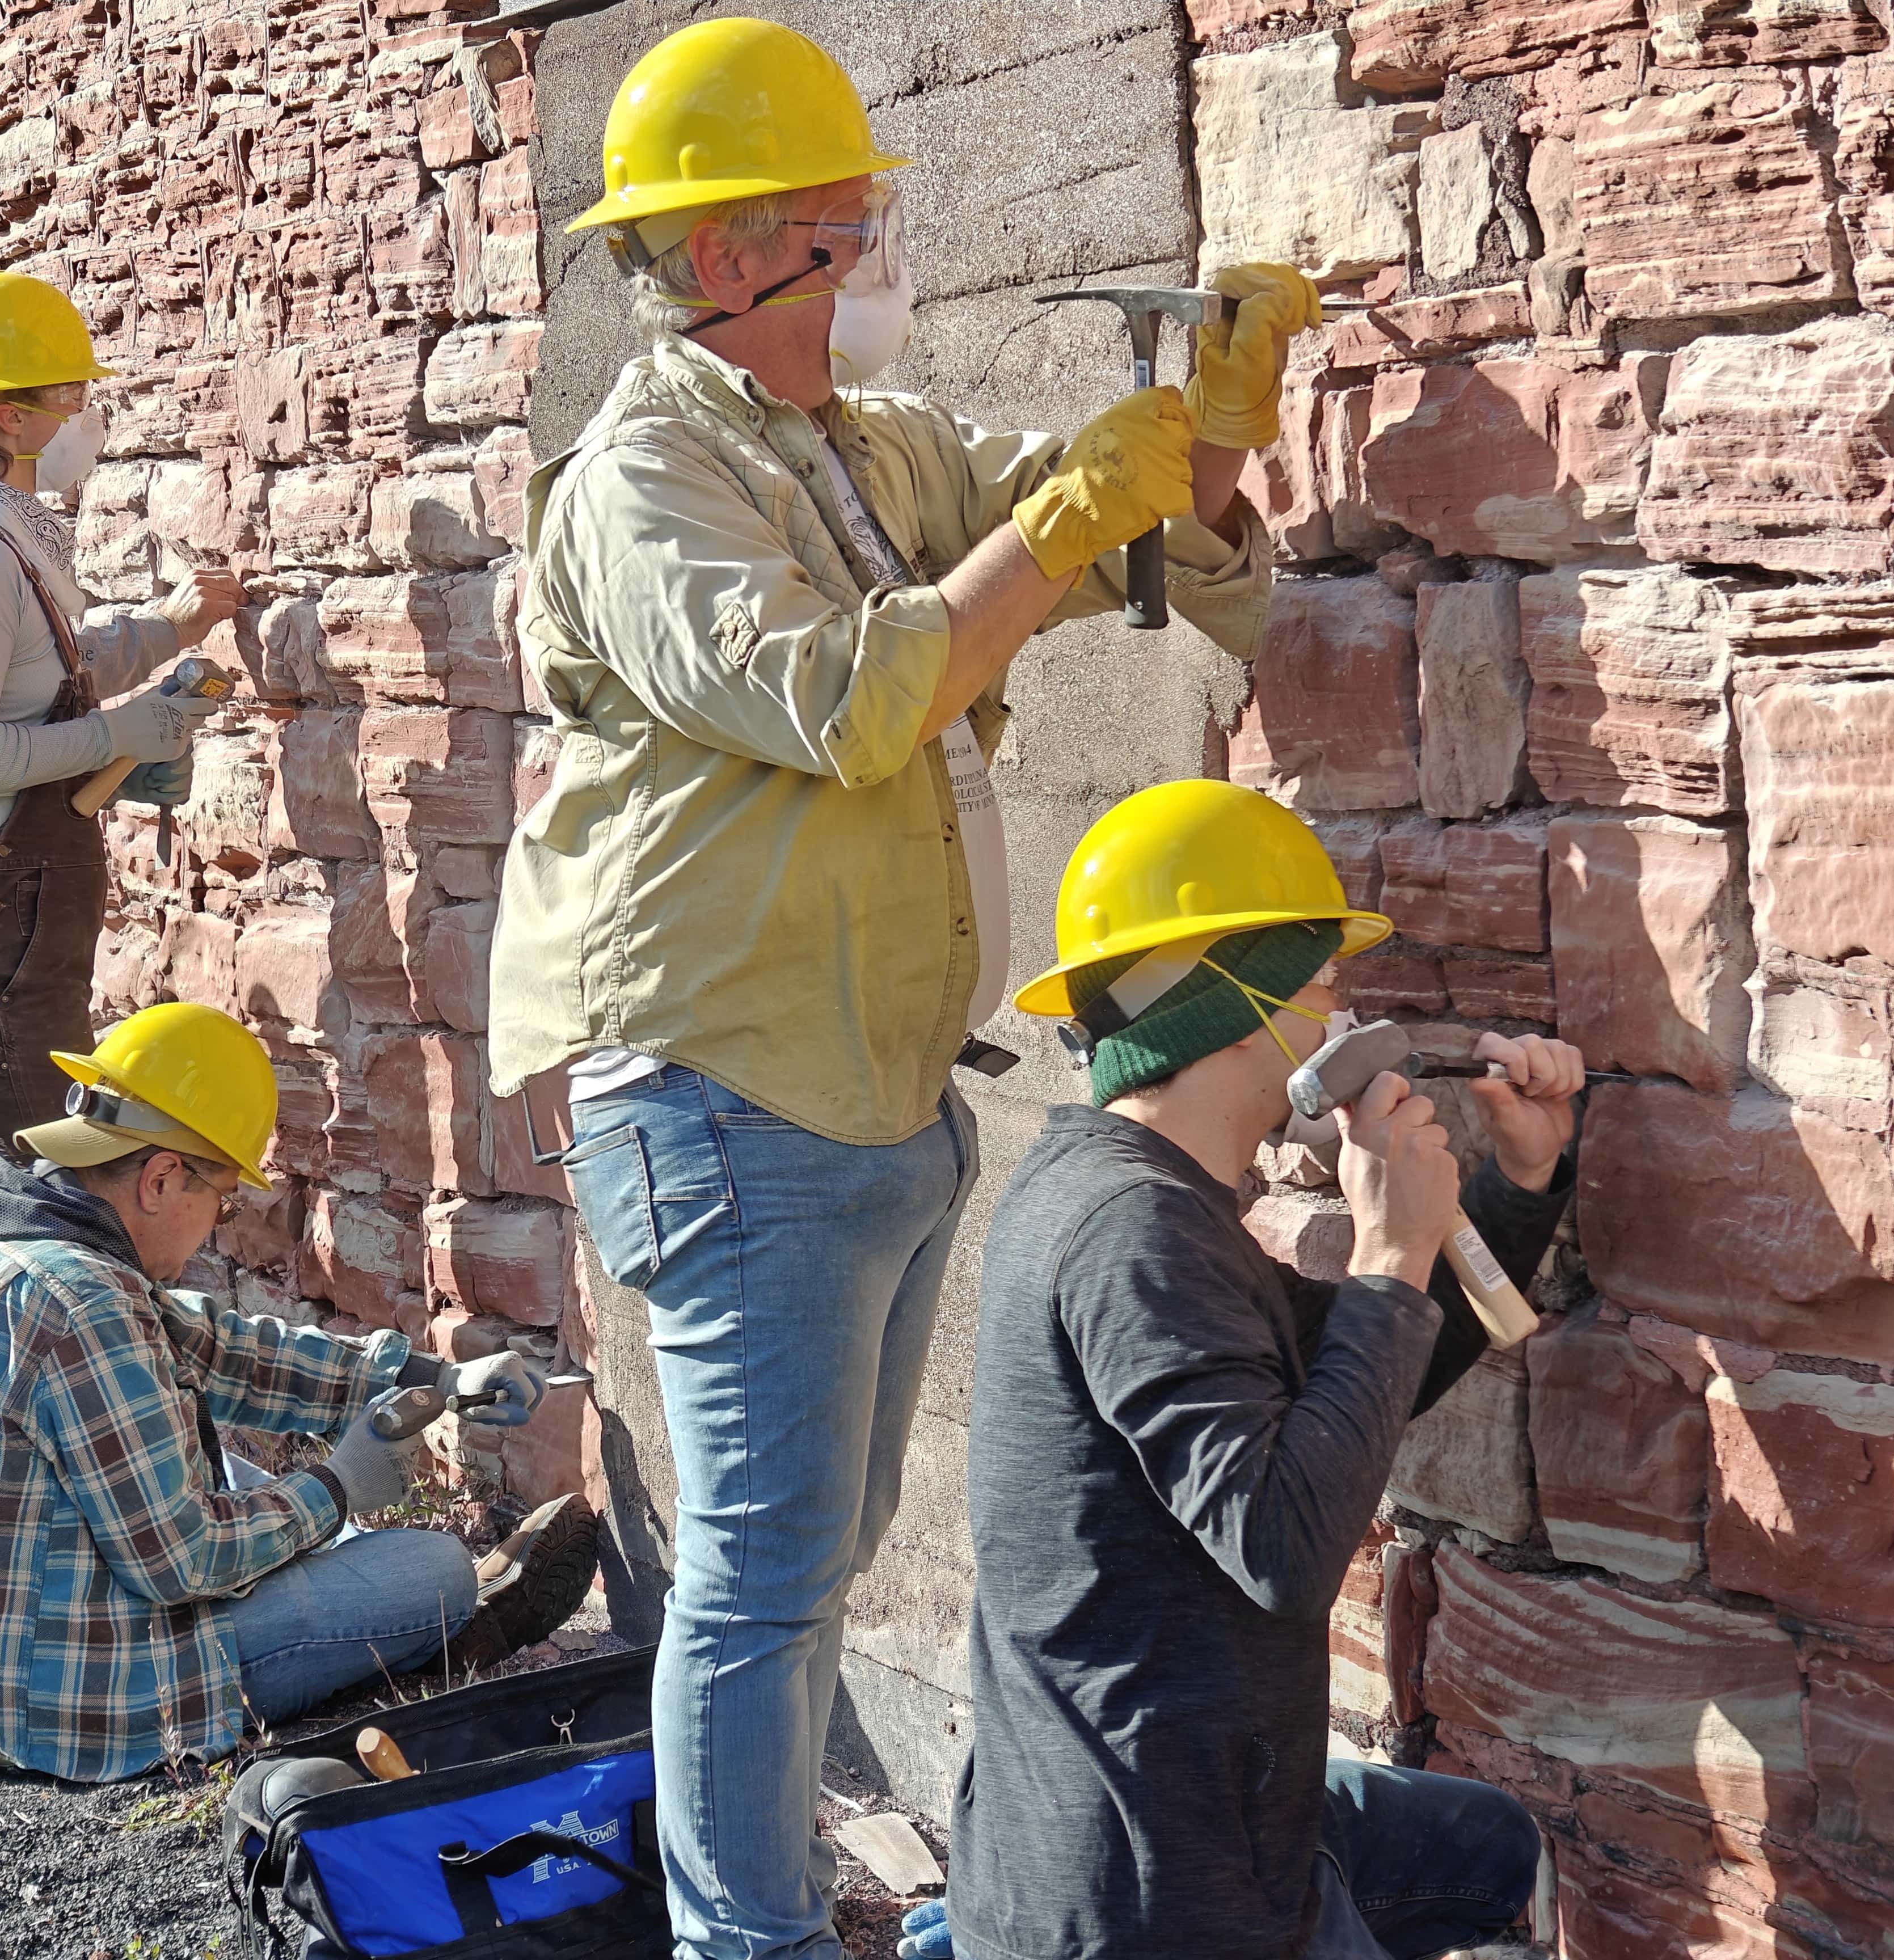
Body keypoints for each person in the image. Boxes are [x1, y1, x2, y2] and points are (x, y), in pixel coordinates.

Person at [486, 20, 1319, 1960]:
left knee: (816, 1554)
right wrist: (1054, 524)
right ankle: (747, 1939)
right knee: (767, 1572)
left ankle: (763, 1916)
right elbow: (851, 700)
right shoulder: (638, 487)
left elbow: (1139, 541)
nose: (869, 251)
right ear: (717, 259)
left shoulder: (859, 447)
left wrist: (1204, 424)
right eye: (835, 226)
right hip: (720, 1095)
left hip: (861, 1089)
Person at [929, 780, 1575, 1960]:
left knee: (1486, 1850)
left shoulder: (1124, 1189)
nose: (1339, 1028)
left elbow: (1353, 1378)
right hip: (1148, 1899)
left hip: (1209, 1810)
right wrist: (1387, 1247)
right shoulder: (1130, 1230)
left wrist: (1511, 1192)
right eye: (1323, 993)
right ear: (1238, 1002)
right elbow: (1280, 1548)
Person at [0, 1001, 602, 1784]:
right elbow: (182, 1559)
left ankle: (357, 1579)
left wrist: (430, 1377)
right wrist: (337, 1488)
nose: (221, 1223)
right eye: (224, 1199)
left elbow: (218, 1351)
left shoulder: (9, 1230)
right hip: (48, 1701)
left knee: (227, 1473)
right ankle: (445, 1612)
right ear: (164, 1178)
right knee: (432, 1570)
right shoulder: (84, 1304)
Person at [0, 269, 244, 1157]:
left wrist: (166, 629)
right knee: (22, 1196)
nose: (89, 414)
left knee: (25, 1185)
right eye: (73, 394)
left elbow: (40, 673)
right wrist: (118, 735)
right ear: (11, 417)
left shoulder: (6, 541)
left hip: (6, 927)